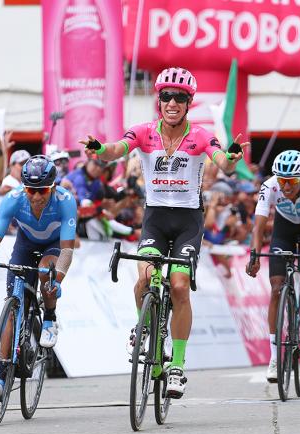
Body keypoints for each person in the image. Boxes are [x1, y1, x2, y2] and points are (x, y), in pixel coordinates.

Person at [80, 66, 246, 399]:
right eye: (166, 96)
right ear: (159, 100)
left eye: (180, 98)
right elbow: (116, 150)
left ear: (188, 102)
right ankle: (146, 331)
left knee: (180, 285)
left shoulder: (199, 135)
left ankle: (177, 367)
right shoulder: (143, 132)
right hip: (155, 218)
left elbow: (221, 161)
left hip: (188, 222)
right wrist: (100, 149)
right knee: (145, 278)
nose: (172, 102)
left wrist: (230, 158)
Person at [0, 155, 77, 400]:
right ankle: (1, 376)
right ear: (23, 187)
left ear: (53, 187)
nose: (37, 197)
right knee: (12, 307)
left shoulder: (66, 201)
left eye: (42, 191)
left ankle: (49, 316)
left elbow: (68, 251)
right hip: (24, 246)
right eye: (31, 190)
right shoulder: (13, 199)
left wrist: (56, 280)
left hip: (53, 246)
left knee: (45, 272)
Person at [246, 150, 300, 383]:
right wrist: (254, 254)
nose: (285, 186)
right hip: (283, 229)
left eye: (291, 181)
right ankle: (274, 357)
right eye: (282, 180)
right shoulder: (270, 186)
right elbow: (260, 224)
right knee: (275, 290)